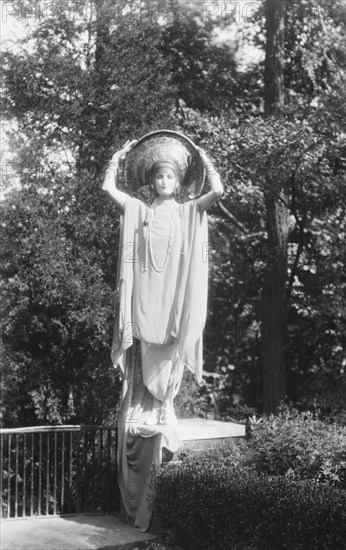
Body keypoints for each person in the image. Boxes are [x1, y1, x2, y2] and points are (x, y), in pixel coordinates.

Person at [102, 136, 223, 529]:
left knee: (168, 359)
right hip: (142, 304)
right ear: (152, 183)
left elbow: (217, 191)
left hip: (171, 304)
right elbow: (108, 189)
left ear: (178, 181)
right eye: (159, 177)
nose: (165, 181)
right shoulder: (139, 210)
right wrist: (120, 155)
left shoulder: (189, 211)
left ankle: (164, 406)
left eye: (171, 176)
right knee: (140, 362)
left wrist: (203, 157)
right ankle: (143, 407)